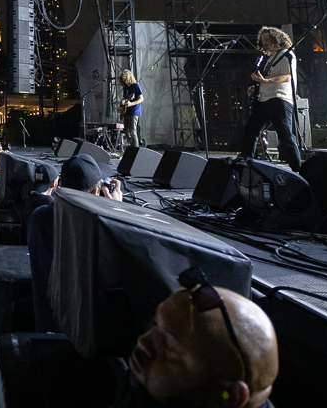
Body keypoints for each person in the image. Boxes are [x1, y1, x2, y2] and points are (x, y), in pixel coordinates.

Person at [118, 269, 279, 408]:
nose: (143, 342)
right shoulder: (144, 388)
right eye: (155, 325)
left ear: (231, 396)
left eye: (168, 345)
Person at [27, 154, 121, 333]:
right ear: (95, 192)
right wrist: (116, 212)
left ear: (60, 185)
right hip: (86, 340)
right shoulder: (100, 227)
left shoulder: (40, 217)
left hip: (47, 331)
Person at [238, 26, 302, 171]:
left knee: (284, 133)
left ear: (276, 38)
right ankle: (246, 162)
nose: (264, 42)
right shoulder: (271, 58)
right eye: (262, 40)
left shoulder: (286, 54)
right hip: (264, 99)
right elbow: (268, 78)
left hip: (279, 99)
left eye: (267, 39)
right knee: (251, 129)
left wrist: (265, 82)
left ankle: (297, 167)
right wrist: (256, 87)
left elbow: (287, 76)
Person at [120, 69, 144, 148]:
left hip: (134, 111)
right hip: (127, 111)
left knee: (133, 131)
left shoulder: (136, 86)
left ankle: (136, 149)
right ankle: (132, 146)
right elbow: (124, 98)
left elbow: (141, 99)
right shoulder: (125, 88)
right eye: (123, 80)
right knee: (126, 131)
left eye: (125, 79)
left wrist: (131, 104)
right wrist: (121, 105)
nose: (125, 81)